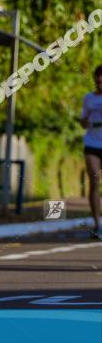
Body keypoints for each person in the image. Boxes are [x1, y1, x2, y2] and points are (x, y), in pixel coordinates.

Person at [80, 65, 102, 237]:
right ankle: (97, 224)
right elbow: (83, 120)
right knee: (94, 180)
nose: (100, 80)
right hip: (92, 144)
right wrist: (85, 121)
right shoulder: (88, 98)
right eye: (98, 77)